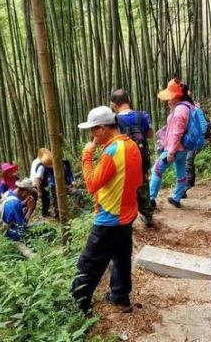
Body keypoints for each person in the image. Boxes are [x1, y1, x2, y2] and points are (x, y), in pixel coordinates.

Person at [71, 106, 142, 314]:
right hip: (127, 215)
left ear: (102, 129)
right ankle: (120, 296)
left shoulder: (112, 151)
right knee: (121, 258)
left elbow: (92, 184)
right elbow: (137, 180)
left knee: (88, 263)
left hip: (109, 219)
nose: (92, 135)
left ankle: (78, 307)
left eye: (93, 130)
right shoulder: (131, 146)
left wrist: (87, 154)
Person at [110, 89, 154, 226]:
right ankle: (148, 217)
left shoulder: (114, 120)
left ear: (114, 105)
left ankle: (127, 220)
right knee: (143, 187)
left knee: (125, 188)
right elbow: (150, 135)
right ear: (129, 99)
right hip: (142, 158)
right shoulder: (143, 116)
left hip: (125, 160)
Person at [150, 79, 195, 208]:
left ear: (176, 95)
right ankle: (177, 198)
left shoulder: (181, 109)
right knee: (180, 170)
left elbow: (177, 132)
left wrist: (171, 152)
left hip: (175, 148)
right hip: (183, 147)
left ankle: (150, 198)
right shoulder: (187, 106)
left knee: (156, 170)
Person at [31, 149, 54, 217]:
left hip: (38, 184)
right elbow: (37, 179)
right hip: (36, 185)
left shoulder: (37, 162)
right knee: (35, 202)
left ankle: (45, 213)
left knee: (46, 199)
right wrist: (39, 191)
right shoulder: (41, 167)